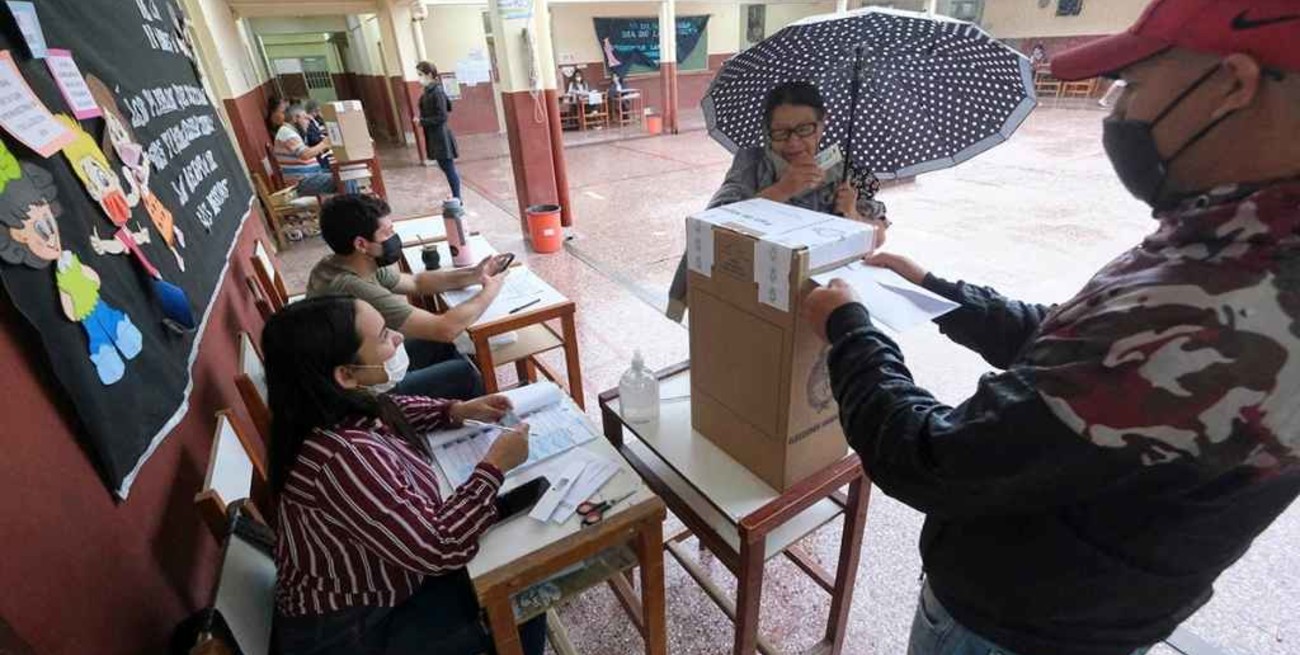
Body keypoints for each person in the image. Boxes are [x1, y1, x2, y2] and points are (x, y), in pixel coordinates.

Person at [802, 1, 1300, 653]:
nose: (1115, 108)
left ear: (1232, 83)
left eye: (1134, 83)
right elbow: (1082, 344)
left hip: (1017, 626)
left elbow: (936, 459)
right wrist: (945, 296)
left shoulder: (1227, 298)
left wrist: (850, 330)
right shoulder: (1232, 240)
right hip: (1089, 608)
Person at [263, 295, 547, 655]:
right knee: (524, 592)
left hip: (382, 582)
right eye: (383, 336)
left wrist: (456, 410)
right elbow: (439, 546)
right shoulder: (341, 457)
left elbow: (394, 410)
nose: (397, 338)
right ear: (345, 375)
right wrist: (494, 467)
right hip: (356, 630)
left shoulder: (325, 409)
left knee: (502, 548)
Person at [667, 80, 889, 321]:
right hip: (755, 296)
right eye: (781, 133)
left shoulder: (844, 171)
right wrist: (784, 188)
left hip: (825, 304)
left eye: (805, 129)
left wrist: (853, 216)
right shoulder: (752, 163)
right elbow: (714, 220)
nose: (793, 143)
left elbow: (878, 235)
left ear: (822, 125)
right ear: (768, 131)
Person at [307, 193, 510, 401]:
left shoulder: (348, 262)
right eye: (387, 233)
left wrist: (474, 275)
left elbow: (416, 282)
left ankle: (449, 409)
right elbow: (444, 328)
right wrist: (489, 291)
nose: (394, 238)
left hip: (370, 362)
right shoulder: (351, 286)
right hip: (364, 393)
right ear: (361, 244)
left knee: (448, 348)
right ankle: (472, 422)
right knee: (465, 374)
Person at [415, 61, 462, 201]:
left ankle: (457, 198)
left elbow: (443, 116)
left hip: (441, 137)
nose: (419, 78)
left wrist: (422, 122)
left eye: (420, 74)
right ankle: (456, 196)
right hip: (434, 135)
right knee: (445, 167)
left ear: (429, 74)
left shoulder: (437, 91)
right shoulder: (428, 91)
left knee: (448, 168)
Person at [273, 103, 336, 195]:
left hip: (311, 177)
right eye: (305, 118)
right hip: (302, 182)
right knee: (343, 179)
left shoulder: (290, 132)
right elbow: (305, 154)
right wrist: (324, 143)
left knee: (343, 173)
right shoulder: (287, 133)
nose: (309, 121)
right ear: (295, 118)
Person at [301, 98, 334, 169]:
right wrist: (324, 140)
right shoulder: (309, 123)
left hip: (322, 150)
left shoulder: (317, 120)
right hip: (318, 154)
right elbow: (314, 139)